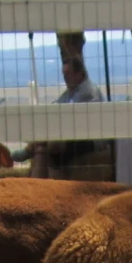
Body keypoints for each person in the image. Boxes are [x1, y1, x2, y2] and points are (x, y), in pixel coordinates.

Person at [31, 51, 112, 181]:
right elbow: (56, 106)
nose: (65, 77)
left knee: (52, 147)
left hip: (91, 139)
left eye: (68, 73)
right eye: (64, 74)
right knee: (47, 145)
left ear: (79, 73)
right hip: (77, 136)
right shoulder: (71, 91)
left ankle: (40, 176)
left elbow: (71, 115)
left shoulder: (87, 92)